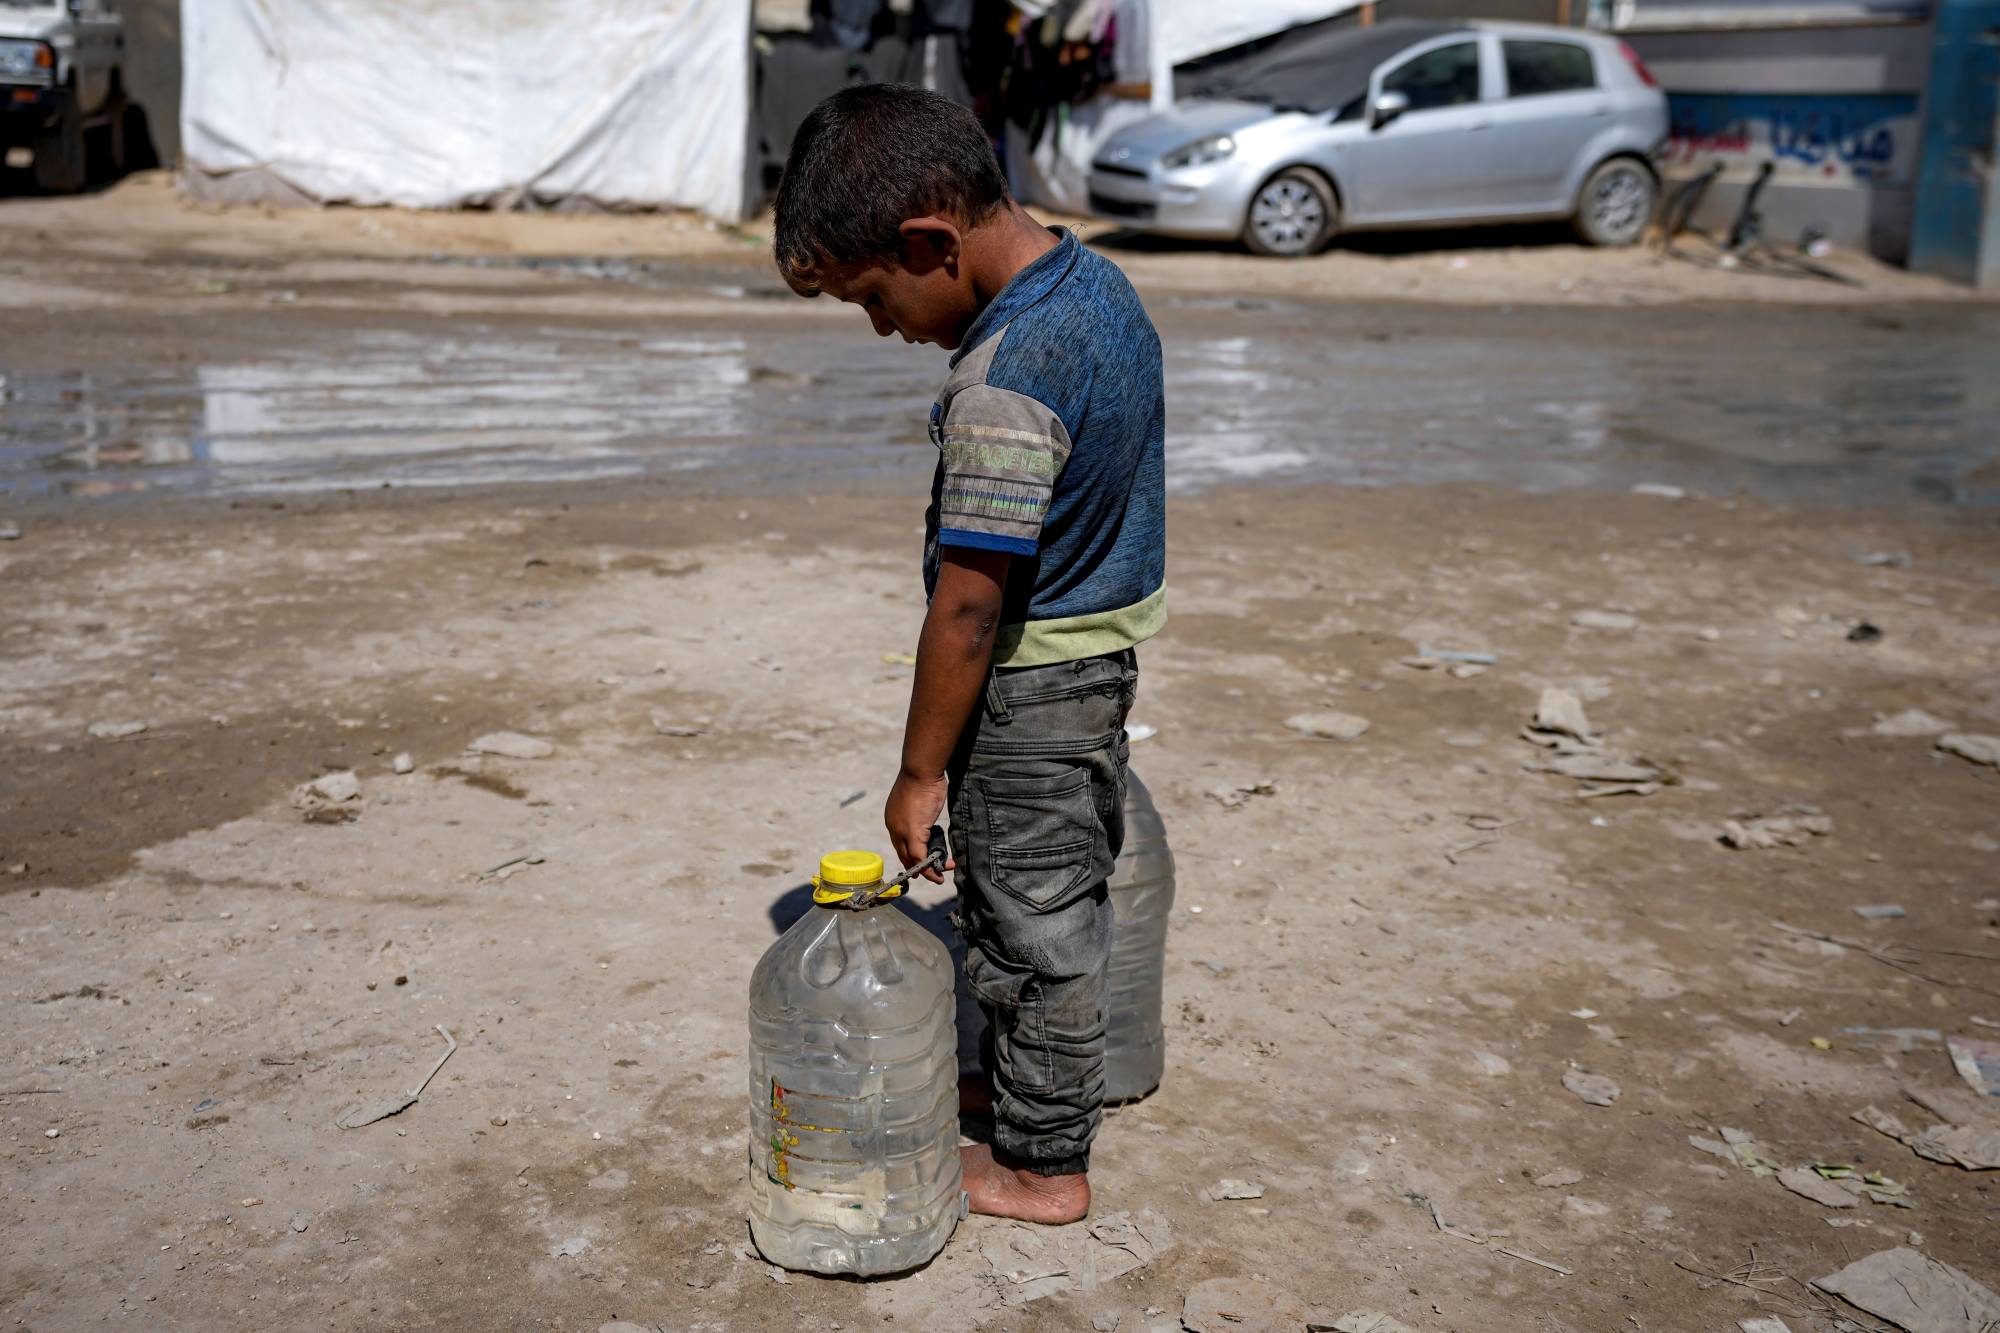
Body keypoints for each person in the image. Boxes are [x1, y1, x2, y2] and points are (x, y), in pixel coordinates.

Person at [772, 84, 1166, 1225]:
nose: (882, 326)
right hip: (1091, 663)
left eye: (874, 298)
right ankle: (1014, 1085)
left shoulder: (1004, 381)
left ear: (927, 242)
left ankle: (1042, 1164)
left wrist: (917, 770)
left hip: (1030, 686)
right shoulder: (1096, 290)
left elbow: (968, 609)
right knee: (1023, 892)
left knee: (1035, 920)